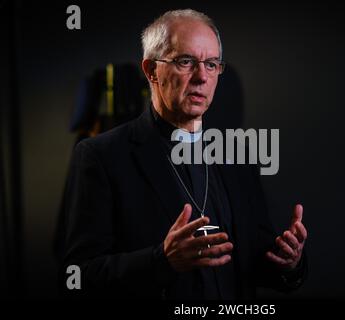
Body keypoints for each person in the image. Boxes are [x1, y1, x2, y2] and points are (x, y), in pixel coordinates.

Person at [61, 9, 308, 299]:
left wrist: (289, 263)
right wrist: (162, 261)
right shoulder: (101, 156)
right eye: (185, 61)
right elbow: (78, 277)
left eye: (212, 64)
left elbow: (255, 263)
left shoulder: (238, 156)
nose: (202, 76)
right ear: (152, 70)